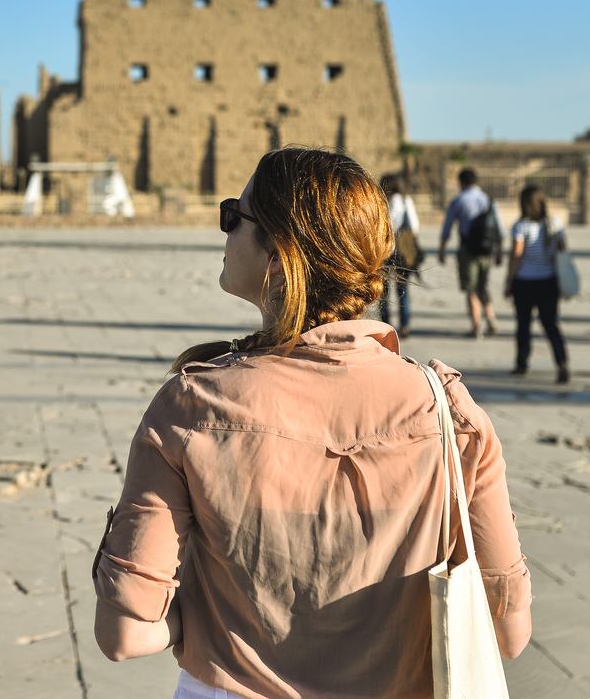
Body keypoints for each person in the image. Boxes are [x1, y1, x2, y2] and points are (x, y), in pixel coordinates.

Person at [93, 148, 531, 698]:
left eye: (235, 215)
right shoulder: (448, 413)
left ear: (278, 252)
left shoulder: (194, 406)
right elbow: (509, 631)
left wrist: (211, 617)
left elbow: (125, 633)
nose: (224, 230)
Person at [504, 185, 570, 383]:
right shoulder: (554, 224)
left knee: (523, 324)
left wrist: (509, 281)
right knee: (551, 324)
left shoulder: (521, 226)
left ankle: (522, 364)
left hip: (524, 282)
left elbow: (516, 256)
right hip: (548, 281)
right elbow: (562, 249)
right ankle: (562, 363)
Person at [438, 167, 503, 338]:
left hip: (467, 251)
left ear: (462, 183)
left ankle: (476, 327)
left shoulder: (459, 200)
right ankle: (490, 319)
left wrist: (442, 249)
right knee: (483, 286)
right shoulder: (489, 200)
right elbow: (499, 228)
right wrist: (499, 252)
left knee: (471, 289)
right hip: (487, 251)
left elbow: (448, 227)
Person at [380, 173, 420, 335]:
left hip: (388, 249)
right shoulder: (407, 200)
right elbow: (415, 227)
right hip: (405, 250)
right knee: (402, 288)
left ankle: (386, 325)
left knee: (384, 290)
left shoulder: (389, 202)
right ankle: (405, 325)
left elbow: (389, 225)